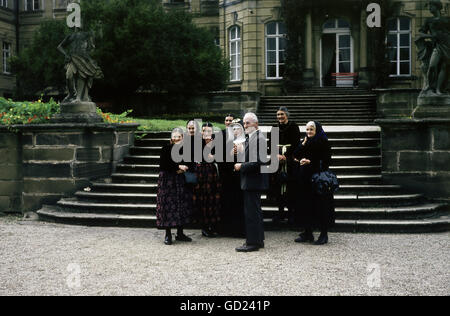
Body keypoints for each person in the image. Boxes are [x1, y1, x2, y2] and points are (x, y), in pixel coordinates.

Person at [293, 121, 335, 245]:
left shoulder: (323, 142)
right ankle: (308, 232)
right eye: (307, 129)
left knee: (321, 207)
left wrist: (310, 162)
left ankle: (323, 234)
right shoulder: (306, 141)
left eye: (311, 129)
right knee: (305, 206)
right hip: (305, 180)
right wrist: (302, 147)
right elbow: (295, 154)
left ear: (317, 130)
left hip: (318, 181)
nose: (309, 132)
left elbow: (326, 161)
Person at [234, 113, 269, 252]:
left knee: (251, 213)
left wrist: (241, 166)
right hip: (252, 181)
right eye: (244, 123)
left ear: (256, 124)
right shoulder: (253, 138)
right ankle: (258, 240)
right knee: (255, 212)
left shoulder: (258, 138)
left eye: (247, 123)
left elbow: (258, 162)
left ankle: (252, 242)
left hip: (253, 181)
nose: (245, 125)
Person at [156, 128, 193, 245]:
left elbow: (190, 163)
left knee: (181, 205)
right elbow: (164, 164)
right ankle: (168, 234)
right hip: (168, 181)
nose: (176, 139)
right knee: (168, 206)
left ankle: (180, 233)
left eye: (179, 137)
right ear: (171, 137)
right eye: (174, 136)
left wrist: (184, 168)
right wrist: (178, 167)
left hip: (180, 180)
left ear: (183, 137)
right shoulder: (166, 148)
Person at [268, 106, 301, 225]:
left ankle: (291, 213)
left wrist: (286, 156)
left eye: (282, 114)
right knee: (277, 186)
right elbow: (270, 145)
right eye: (278, 115)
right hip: (277, 161)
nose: (280, 117)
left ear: (287, 115)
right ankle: (280, 212)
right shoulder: (274, 128)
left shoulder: (293, 126)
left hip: (290, 161)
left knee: (290, 186)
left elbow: (297, 144)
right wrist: (276, 155)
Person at [192, 122, 222, 237]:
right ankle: (204, 226)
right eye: (204, 130)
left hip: (213, 172)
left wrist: (213, 157)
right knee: (203, 199)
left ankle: (213, 225)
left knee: (213, 199)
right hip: (201, 172)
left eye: (209, 131)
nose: (206, 133)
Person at [218, 119, 246, 237]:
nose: (235, 131)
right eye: (233, 128)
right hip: (228, 176)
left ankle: (240, 229)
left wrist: (242, 152)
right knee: (228, 202)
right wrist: (229, 154)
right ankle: (227, 229)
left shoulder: (246, 140)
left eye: (238, 128)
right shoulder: (226, 141)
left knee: (240, 203)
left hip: (241, 176)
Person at [416, 0, 450, 96]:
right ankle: (430, 88)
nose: (429, 8)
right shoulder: (428, 20)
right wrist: (432, 37)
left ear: (437, 7)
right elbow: (421, 33)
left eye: (431, 6)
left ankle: (438, 90)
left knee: (444, 67)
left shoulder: (447, 20)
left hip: (447, 45)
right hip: (437, 46)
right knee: (432, 66)